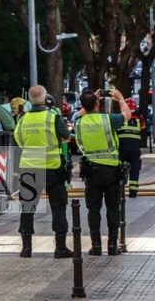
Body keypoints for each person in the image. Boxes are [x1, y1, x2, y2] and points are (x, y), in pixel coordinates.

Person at [14, 85, 72, 259]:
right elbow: (66, 137)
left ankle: (26, 249)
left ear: (30, 100)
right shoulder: (53, 118)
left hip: (29, 169)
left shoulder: (22, 120)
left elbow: (19, 140)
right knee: (58, 208)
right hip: (52, 169)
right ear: (46, 98)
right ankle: (60, 248)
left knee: (27, 208)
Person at [75, 88, 132, 255]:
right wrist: (120, 98)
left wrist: (93, 98)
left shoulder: (79, 122)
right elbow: (127, 115)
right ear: (98, 104)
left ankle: (96, 246)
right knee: (113, 209)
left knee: (93, 210)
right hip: (112, 172)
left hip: (91, 172)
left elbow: (80, 113)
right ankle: (113, 246)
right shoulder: (107, 120)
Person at [117, 98, 142, 199]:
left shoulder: (120, 118)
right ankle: (133, 192)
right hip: (135, 148)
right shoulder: (139, 119)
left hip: (122, 147)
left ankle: (118, 189)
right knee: (135, 170)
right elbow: (143, 127)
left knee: (117, 169)